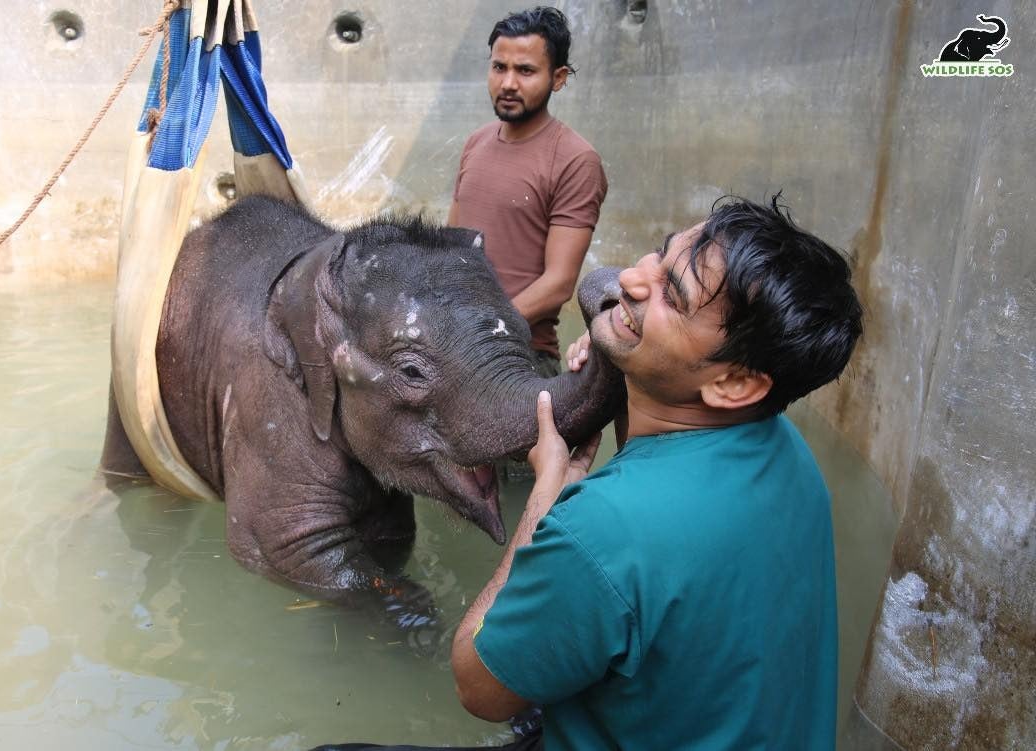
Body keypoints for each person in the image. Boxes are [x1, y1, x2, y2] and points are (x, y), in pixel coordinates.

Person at [310, 195, 862, 751]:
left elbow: (477, 686)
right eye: (657, 256)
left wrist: (544, 501)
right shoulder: (786, 450)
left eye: (672, 295)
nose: (632, 279)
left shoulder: (602, 530)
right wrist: (620, 377)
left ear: (734, 384)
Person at [449, 6, 608, 378]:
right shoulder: (476, 143)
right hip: (452, 344)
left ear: (559, 78)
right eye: (499, 67)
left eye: (525, 71)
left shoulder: (575, 159)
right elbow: (451, 247)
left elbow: (558, 284)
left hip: (520, 357)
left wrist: (483, 331)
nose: (507, 83)